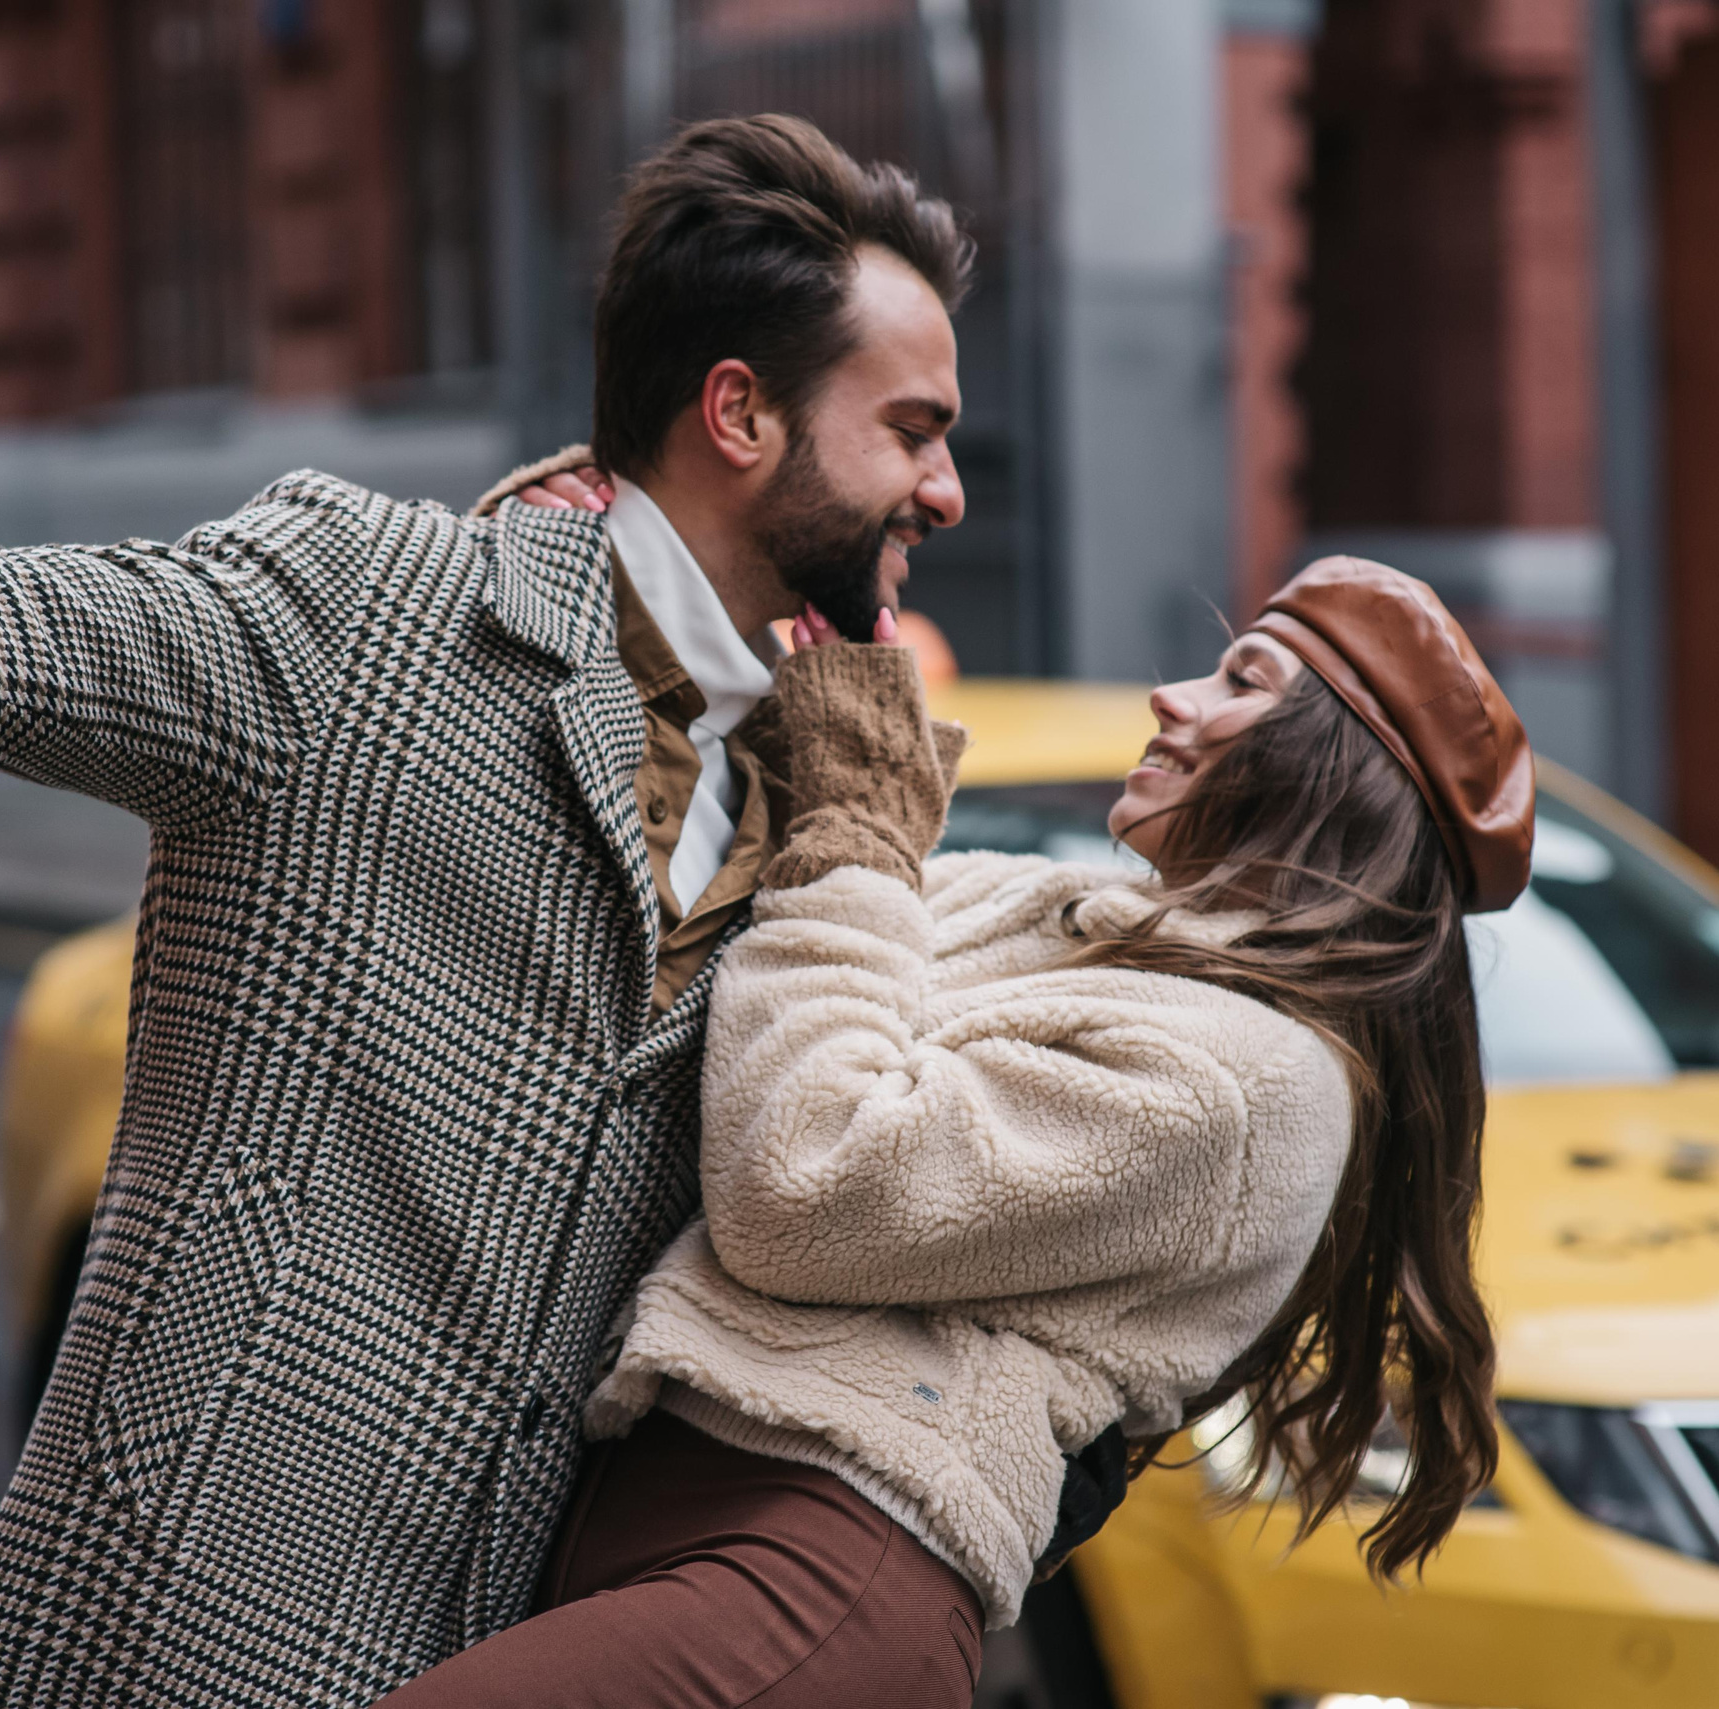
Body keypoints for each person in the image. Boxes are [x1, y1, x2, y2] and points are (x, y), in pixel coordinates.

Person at [0, 116, 1149, 1707]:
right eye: (914, 429)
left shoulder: (808, 810)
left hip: (483, 1652)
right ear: (740, 412)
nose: (948, 490)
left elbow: (810, 1217)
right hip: (166, 1632)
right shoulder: (368, 614)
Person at [372, 554, 1531, 1707]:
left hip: (812, 1564)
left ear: (1333, 774)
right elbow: (767, 962)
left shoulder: (1252, 1080)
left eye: (1241, 680)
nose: (1173, 698)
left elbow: (803, 1179)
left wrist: (859, 839)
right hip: (658, 1499)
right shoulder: (1054, 912)